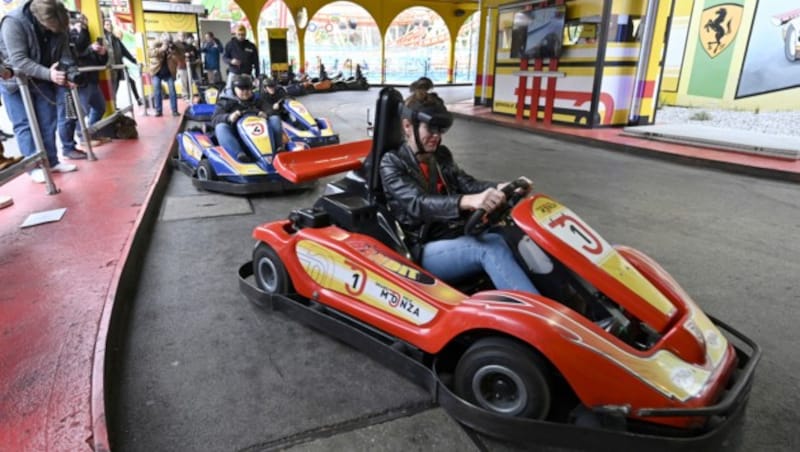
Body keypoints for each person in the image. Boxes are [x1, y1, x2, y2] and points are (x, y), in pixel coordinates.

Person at [379, 90, 540, 293]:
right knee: (490, 248)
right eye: (431, 128)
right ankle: (531, 320)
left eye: (441, 129)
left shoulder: (441, 156)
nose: (437, 136)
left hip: (453, 233)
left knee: (514, 235)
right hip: (423, 247)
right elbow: (418, 203)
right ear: (407, 126)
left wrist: (501, 187)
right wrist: (467, 201)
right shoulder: (392, 162)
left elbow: (467, 184)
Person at [0, 0, 78, 183]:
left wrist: (68, 73)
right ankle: (33, 166)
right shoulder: (14, 22)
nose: (53, 31)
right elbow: (18, 60)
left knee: (47, 121)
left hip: (43, 79)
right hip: (14, 80)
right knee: (24, 124)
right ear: (39, 19)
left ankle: (51, 161)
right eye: (50, 28)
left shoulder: (59, 23)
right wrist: (49, 74)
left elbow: (65, 53)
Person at [57, 12, 109, 160]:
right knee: (75, 114)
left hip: (90, 78)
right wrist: (88, 46)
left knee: (98, 108)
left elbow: (90, 56)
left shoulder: (86, 34)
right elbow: (76, 54)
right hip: (75, 81)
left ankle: (89, 134)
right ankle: (78, 140)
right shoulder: (68, 35)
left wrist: (101, 53)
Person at [211, 74, 283, 162]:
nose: (245, 91)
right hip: (237, 135)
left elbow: (271, 110)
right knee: (220, 127)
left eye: (248, 88)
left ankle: (278, 148)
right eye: (242, 89)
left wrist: (264, 114)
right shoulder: (225, 101)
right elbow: (215, 119)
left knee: (275, 118)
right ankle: (239, 154)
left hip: (260, 134)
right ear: (234, 89)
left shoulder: (257, 100)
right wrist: (229, 117)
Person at [104, 18, 142, 106]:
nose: (109, 26)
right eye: (106, 24)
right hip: (111, 68)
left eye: (110, 24)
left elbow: (125, 52)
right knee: (113, 87)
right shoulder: (105, 38)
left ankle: (137, 99)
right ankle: (113, 105)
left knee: (127, 82)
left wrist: (135, 61)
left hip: (119, 66)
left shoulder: (115, 39)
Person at [149, 32, 182, 117]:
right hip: (157, 71)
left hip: (168, 72)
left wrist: (173, 50)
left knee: (172, 91)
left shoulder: (172, 46)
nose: (167, 43)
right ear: (162, 40)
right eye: (165, 41)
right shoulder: (155, 43)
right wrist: (161, 49)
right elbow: (150, 53)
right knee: (157, 92)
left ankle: (174, 111)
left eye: (168, 41)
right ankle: (158, 111)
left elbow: (179, 57)